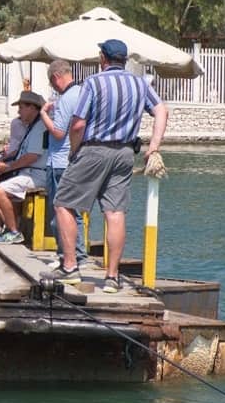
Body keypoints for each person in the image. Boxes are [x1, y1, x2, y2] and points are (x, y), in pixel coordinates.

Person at [47, 38, 169, 294]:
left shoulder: (93, 82)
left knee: (63, 203)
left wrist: (75, 150)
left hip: (94, 149)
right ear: (124, 59)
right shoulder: (140, 83)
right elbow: (161, 111)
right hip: (125, 152)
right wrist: (154, 146)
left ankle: (69, 267)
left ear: (103, 57)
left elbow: (78, 125)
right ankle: (112, 277)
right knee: (115, 212)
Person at [38, 59, 86, 267]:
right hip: (74, 160)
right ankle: (79, 255)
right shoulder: (82, 93)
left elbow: (58, 133)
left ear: (57, 77)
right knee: (72, 212)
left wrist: (43, 115)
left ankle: (65, 256)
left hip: (59, 161)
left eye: (52, 83)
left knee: (59, 213)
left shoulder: (67, 98)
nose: (53, 87)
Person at [0, 90, 46, 245]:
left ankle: (14, 231)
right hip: (29, 172)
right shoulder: (31, 126)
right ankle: (0, 227)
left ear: (32, 108)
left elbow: (32, 157)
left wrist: (9, 167)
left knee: (0, 190)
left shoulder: (39, 127)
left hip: (37, 175)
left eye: (22, 107)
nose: (19, 111)